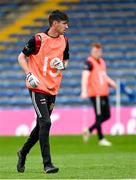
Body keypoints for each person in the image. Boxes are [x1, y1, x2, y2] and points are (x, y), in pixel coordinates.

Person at [17, 10, 69, 174]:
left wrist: (62, 65)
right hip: (37, 86)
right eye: (64, 23)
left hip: (53, 87)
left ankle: (23, 152)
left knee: (41, 125)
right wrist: (29, 73)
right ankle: (47, 164)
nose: (67, 27)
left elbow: (66, 60)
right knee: (46, 122)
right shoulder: (38, 39)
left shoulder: (65, 40)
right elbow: (21, 57)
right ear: (55, 23)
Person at [81, 43, 116, 146]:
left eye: (98, 51)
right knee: (99, 116)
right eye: (94, 51)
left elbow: (103, 75)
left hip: (104, 92)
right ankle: (101, 139)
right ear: (92, 52)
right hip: (95, 94)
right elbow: (85, 77)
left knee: (107, 115)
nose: (96, 53)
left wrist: (111, 82)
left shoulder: (102, 62)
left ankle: (89, 130)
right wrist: (84, 91)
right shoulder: (89, 63)